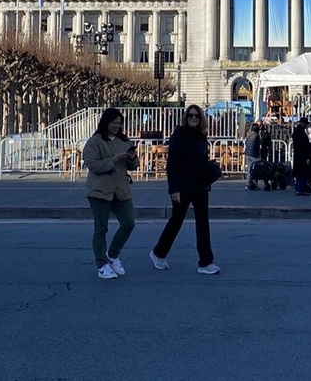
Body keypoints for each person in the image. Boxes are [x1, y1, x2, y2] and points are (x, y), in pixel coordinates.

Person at [150, 105, 220, 275]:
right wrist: (173, 189)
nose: (194, 118)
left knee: (202, 223)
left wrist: (207, 179)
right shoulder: (179, 136)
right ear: (186, 117)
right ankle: (159, 252)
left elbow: (202, 160)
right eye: (191, 116)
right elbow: (172, 165)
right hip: (182, 186)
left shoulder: (202, 136)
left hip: (200, 186)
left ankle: (205, 262)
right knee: (176, 221)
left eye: (196, 116)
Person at [83, 107, 138, 280]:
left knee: (129, 223)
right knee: (101, 229)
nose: (116, 126)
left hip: (121, 190)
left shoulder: (124, 141)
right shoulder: (95, 141)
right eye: (114, 122)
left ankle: (112, 254)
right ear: (105, 122)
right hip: (100, 191)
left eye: (119, 123)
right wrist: (114, 160)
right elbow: (92, 164)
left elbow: (133, 166)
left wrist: (132, 158)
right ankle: (101, 264)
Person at [291, 116, 311, 195]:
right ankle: (300, 189)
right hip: (302, 155)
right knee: (302, 173)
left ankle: (298, 189)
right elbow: (304, 144)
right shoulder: (301, 133)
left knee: (299, 174)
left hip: (298, 154)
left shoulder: (297, 131)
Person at [243, 123, 267, 190]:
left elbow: (245, 143)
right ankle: (254, 183)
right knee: (256, 170)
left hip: (247, 153)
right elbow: (257, 146)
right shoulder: (256, 136)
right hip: (253, 154)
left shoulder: (249, 135)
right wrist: (259, 155)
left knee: (249, 170)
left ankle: (248, 184)